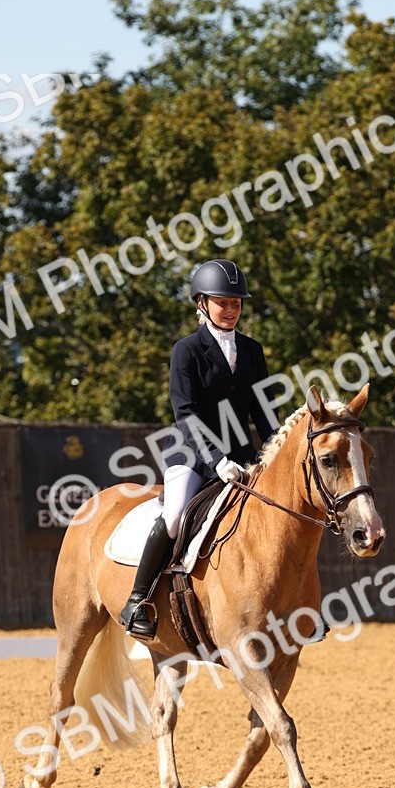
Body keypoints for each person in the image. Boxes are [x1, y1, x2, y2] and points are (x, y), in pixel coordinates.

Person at [119, 259, 279, 639]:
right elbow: (186, 414)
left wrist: (274, 453)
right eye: (223, 302)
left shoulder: (252, 351)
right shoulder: (186, 350)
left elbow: (264, 410)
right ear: (202, 304)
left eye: (237, 303)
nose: (231, 309)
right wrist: (216, 460)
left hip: (242, 454)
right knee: (175, 516)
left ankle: (291, 603)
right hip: (191, 454)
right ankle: (137, 600)